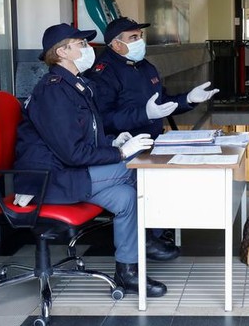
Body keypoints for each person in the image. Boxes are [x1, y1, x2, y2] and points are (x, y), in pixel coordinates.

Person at [13, 23, 167, 297]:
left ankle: (128, 272)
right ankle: (153, 236)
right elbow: (72, 153)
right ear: (62, 52)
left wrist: (113, 142)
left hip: (71, 172)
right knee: (136, 169)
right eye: (80, 44)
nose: (88, 49)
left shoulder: (77, 86)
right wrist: (120, 152)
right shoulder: (53, 91)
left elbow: (87, 138)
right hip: (51, 179)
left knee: (125, 198)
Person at [85, 16, 219, 260]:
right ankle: (146, 237)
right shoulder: (103, 73)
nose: (139, 42)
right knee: (152, 177)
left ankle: (156, 232)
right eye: (133, 38)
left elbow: (163, 102)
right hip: (124, 146)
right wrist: (144, 114)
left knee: (182, 169)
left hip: (154, 141)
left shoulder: (145, 66)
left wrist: (187, 99)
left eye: (140, 37)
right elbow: (103, 120)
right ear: (115, 44)